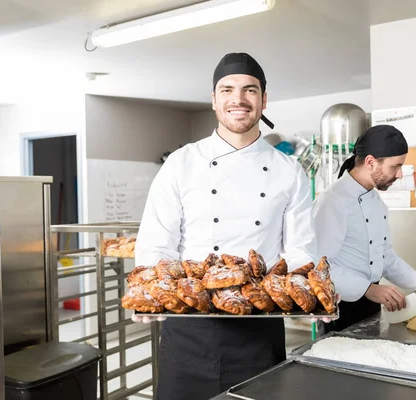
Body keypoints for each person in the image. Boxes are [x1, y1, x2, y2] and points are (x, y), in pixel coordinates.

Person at [133, 52, 318, 400]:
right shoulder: (181, 163)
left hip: (259, 328)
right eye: (227, 89)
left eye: (250, 90)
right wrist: (151, 291)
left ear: (264, 100)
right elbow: (158, 243)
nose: (239, 99)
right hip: (188, 326)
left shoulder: (289, 170)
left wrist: (304, 295)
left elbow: (300, 249)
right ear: (214, 100)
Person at [312, 124, 416, 333]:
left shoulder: (375, 200)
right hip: (339, 303)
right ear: (370, 162)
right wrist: (368, 289)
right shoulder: (333, 200)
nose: (400, 174)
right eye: (395, 166)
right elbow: (319, 266)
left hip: (370, 301)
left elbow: (386, 258)